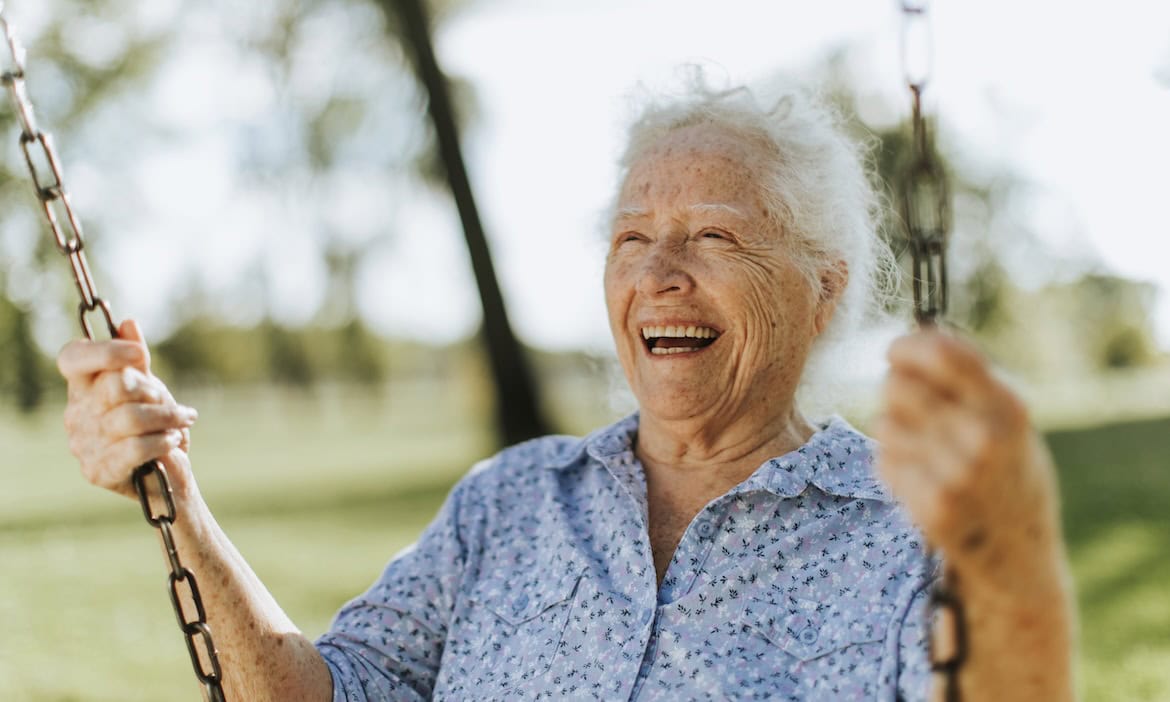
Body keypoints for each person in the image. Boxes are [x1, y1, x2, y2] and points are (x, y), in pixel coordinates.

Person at [57, 81, 1076, 701]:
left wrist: (1014, 563)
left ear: (823, 291)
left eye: (714, 237)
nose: (658, 275)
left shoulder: (911, 532)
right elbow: (323, 695)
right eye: (632, 239)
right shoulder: (507, 505)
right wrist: (176, 496)